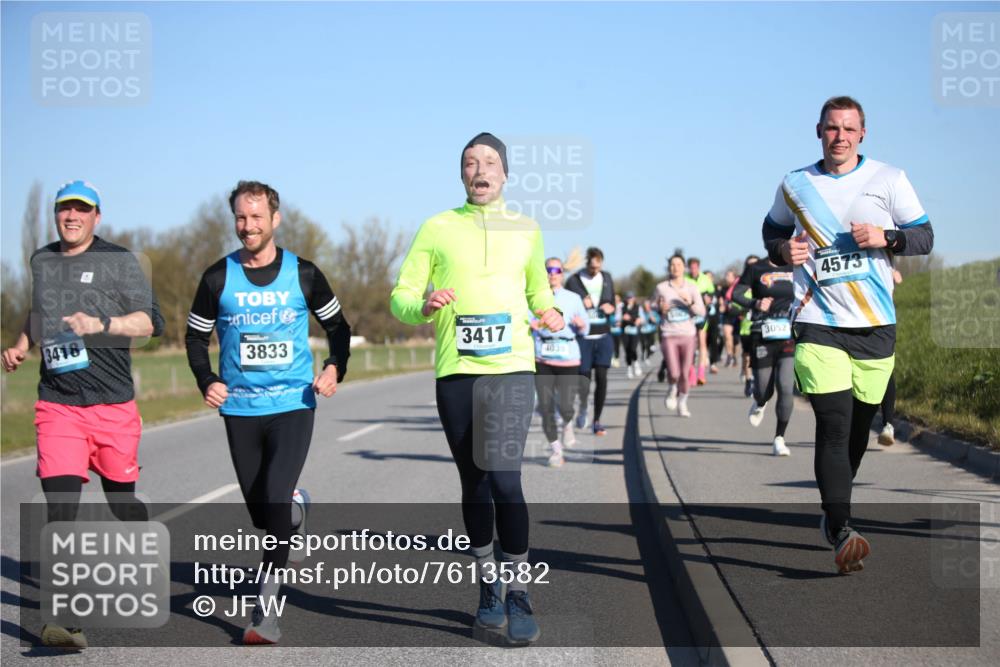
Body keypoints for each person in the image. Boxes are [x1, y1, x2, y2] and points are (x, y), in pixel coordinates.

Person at [391, 132, 563, 644]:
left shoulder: (527, 229)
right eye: (470, 162)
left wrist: (548, 309)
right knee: (474, 484)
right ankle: (487, 584)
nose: (480, 169)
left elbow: (538, 288)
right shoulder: (436, 228)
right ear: (461, 173)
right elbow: (400, 295)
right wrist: (420, 305)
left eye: (489, 161)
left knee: (506, 479)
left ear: (505, 174)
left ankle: (518, 591)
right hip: (456, 371)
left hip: (510, 366)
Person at [762, 96, 934, 574]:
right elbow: (771, 230)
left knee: (858, 431)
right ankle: (842, 527)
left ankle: (833, 510)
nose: (840, 136)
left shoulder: (888, 179)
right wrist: (783, 251)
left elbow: (924, 235)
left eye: (849, 129)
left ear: (862, 134)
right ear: (819, 131)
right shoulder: (796, 183)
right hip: (818, 320)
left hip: (875, 324)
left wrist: (887, 238)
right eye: (831, 128)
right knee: (834, 427)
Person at [185, 180, 351, 644]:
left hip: (293, 404)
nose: (248, 226)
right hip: (239, 409)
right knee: (263, 514)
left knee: (273, 499)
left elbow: (338, 326)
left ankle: (266, 608)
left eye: (257, 217)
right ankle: (295, 514)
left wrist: (335, 366)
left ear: (275, 220)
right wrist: (208, 380)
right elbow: (195, 338)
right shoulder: (217, 278)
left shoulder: (304, 274)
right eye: (241, 217)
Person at [2, 180, 164, 649]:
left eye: (81, 209)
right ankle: (64, 619)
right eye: (63, 209)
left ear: (97, 216)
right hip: (58, 404)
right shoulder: (42, 260)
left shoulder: (118, 261)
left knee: (121, 502)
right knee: (60, 510)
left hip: (112, 403)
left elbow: (150, 322)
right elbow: (39, 311)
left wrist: (102, 324)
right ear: (55, 216)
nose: (71, 216)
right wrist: (19, 344)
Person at [732, 257, 796, 456]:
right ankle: (760, 402)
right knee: (762, 390)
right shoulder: (756, 268)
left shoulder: (798, 266)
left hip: (789, 334)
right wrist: (756, 302)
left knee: (786, 386)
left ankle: (779, 438)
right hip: (762, 334)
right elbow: (736, 293)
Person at [531, 257, 589, 467]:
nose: (552, 273)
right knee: (545, 406)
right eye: (548, 269)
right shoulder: (533, 297)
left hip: (568, 357)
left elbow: (586, 327)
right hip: (543, 356)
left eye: (556, 270)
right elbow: (525, 319)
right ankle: (556, 449)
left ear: (562, 274)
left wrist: (581, 324)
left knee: (565, 406)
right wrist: (531, 324)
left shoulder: (573, 298)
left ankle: (568, 422)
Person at [565, 247, 615, 436]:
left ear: (601, 263)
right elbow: (567, 305)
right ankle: (584, 408)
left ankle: (597, 420)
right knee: (584, 380)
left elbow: (612, 302)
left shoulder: (607, 278)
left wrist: (611, 307)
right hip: (583, 338)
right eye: (592, 267)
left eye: (598, 266)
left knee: (602, 378)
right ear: (587, 263)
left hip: (603, 336)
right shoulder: (574, 281)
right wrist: (580, 304)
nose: (595, 270)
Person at [653, 254, 706, 417]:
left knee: (684, 373)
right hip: (669, 333)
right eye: (672, 264)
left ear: (684, 267)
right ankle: (672, 389)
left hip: (688, 335)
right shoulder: (661, 287)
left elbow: (702, 311)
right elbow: (653, 307)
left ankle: (682, 401)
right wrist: (660, 309)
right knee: (674, 372)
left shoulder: (692, 288)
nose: (675, 267)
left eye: (678, 264)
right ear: (669, 267)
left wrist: (689, 302)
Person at [878, 269, 904, 446]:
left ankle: (888, 424)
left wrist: (892, 271)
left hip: (881, 322)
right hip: (851, 321)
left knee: (886, 371)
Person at [687, 257, 716, 386]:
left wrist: (709, 299)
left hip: (702, 314)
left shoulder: (705, 279)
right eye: (691, 267)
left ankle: (701, 373)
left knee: (702, 342)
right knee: (691, 345)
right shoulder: (685, 279)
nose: (693, 270)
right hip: (688, 316)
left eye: (695, 267)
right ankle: (692, 373)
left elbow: (712, 293)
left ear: (698, 267)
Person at [620, 292, 642, 379]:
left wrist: (637, 320)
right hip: (625, 331)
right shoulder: (622, 307)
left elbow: (641, 319)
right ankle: (629, 368)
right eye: (628, 298)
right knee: (627, 350)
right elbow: (617, 318)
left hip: (634, 331)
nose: (629, 300)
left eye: (631, 298)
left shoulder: (638, 307)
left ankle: (636, 363)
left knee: (633, 349)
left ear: (634, 298)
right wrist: (622, 318)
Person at [609, 293, 623, 368]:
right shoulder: (611, 306)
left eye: (617, 298)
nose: (616, 299)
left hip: (619, 330)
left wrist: (621, 322)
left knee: (617, 345)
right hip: (611, 329)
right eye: (615, 298)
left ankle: (617, 358)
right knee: (611, 345)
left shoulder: (622, 306)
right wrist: (613, 322)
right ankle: (612, 358)